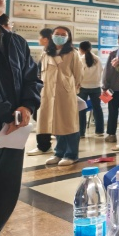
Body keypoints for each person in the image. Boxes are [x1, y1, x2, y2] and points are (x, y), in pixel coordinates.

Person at [0, 0, 41, 236]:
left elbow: (31, 78)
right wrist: (8, 113)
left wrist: (27, 106)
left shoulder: (16, 42)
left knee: (6, 192)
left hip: (13, 132)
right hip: (6, 121)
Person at [39, 26, 83, 166]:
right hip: (48, 93)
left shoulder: (72, 53)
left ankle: (71, 155)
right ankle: (59, 153)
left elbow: (78, 74)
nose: (60, 36)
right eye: (57, 34)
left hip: (66, 93)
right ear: (52, 35)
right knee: (56, 123)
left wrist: (71, 90)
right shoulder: (46, 52)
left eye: (63, 35)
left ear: (68, 37)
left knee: (69, 124)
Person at [26, 28, 54, 156]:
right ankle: (44, 144)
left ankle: (44, 146)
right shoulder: (46, 52)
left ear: (46, 39)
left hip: (49, 91)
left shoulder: (53, 53)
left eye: (40, 37)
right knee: (41, 118)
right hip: (42, 90)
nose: (38, 39)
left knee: (43, 118)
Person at [77, 41, 104, 138]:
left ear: (80, 49)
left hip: (83, 87)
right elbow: (101, 71)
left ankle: (81, 133)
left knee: (81, 110)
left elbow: (79, 74)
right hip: (96, 87)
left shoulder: (80, 59)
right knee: (97, 108)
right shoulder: (98, 59)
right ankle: (100, 131)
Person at [102, 34, 119, 143]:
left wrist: (105, 86)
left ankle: (111, 135)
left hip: (114, 89)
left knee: (113, 112)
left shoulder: (113, 54)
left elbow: (108, 72)